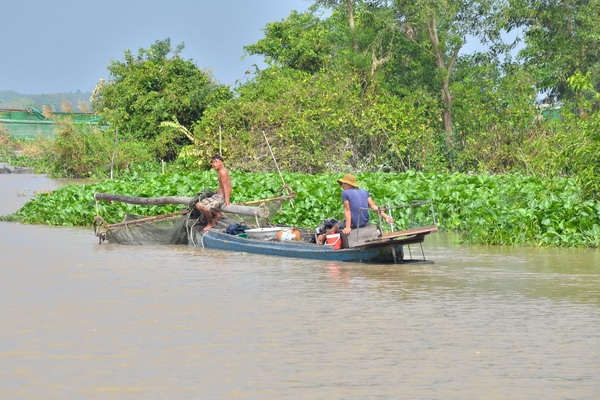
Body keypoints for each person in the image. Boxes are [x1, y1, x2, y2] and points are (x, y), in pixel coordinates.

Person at [195, 155, 232, 231]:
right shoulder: (220, 170)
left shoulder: (222, 172)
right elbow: (223, 184)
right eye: (213, 162)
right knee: (198, 205)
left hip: (221, 197)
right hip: (217, 195)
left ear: (221, 162)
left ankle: (210, 223)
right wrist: (217, 190)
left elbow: (226, 186)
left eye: (216, 162)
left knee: (205, 208)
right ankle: (217, 214)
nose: (214, 164)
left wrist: (226, 200)